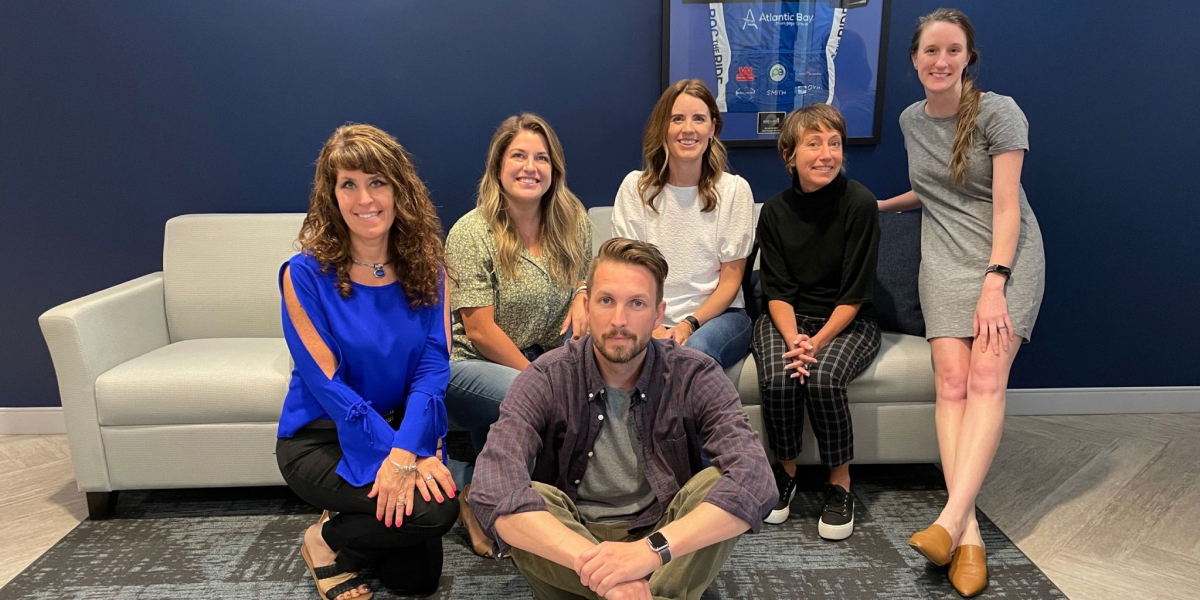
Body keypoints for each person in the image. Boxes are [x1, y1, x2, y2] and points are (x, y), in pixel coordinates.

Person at [470, 238, 777, 600]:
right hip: (571, 546)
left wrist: (648, 553)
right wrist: (611, 575)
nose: (619, 320)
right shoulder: (546, 377)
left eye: (636, 303)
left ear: (658, 315)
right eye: (606, 301)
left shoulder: (694, 374)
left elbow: (756, 480)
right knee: (531, 500)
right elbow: (492, 488)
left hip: (661, 543)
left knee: (715, 483)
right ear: (587, 306)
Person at [878, 9, 1046, 597]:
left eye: (953, 50)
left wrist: (996, 282)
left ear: (968, 57)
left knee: (985, 380)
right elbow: (934, 190)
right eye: (931, 51)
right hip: (945, 260)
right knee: (950, 384)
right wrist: (879, 207)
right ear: (914, 59)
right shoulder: (910, 120)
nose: (941, 60)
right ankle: (967, 532)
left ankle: (949, 521)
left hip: (1005, 258)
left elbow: (1006, 205)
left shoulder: (1000, 113)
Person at [276, 124, 460, 600]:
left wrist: (409, 449)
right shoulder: (303, 274)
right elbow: (329, 386)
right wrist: (398, 457)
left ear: (399, 189)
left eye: (377, 182)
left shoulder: (428, 265)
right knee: (435, 512)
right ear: (331, 195)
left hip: (400, 429)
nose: (365, 199)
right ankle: (322, 540)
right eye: (349, 184)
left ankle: (348, 523)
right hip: (322, 438)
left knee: (415, 581)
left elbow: (433, 368)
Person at [444, 113, 592, 557]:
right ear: (498, 166)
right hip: (472, 363)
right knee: (526, 398)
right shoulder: (471, 232)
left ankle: (483, 490)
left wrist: (582, 293)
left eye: (541, 158)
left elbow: (587, 276)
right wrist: (538, 380)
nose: (530, 167)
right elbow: (479, 329)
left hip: (545, 354)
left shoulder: (573, 219)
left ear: (554, 168)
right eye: (519, 156)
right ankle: (487, 500)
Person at [752, 104, 881, 541]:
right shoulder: (774, 212)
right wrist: (795, 341)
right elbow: (777, 291)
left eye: (834, 143)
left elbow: (855, 293)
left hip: (848, 319)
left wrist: (817, 342)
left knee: (823, 379)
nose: (826, 154)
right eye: (813, 144)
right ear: (789, 154)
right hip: (787, 318)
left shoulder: (860, 203)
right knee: (780, 377)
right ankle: (785, 473)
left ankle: (839, 483)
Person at [611, 79, 755, 369]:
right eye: (677, 119)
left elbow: (730, 282)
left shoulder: (734, 191)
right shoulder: (635, 188)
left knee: (694, 353)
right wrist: (653, 325)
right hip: (648, 313)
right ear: (663, 127)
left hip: (718, 317)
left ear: (712, 128)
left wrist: (689, 324)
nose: (688, 129)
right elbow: (629, 273)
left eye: (699, 119)